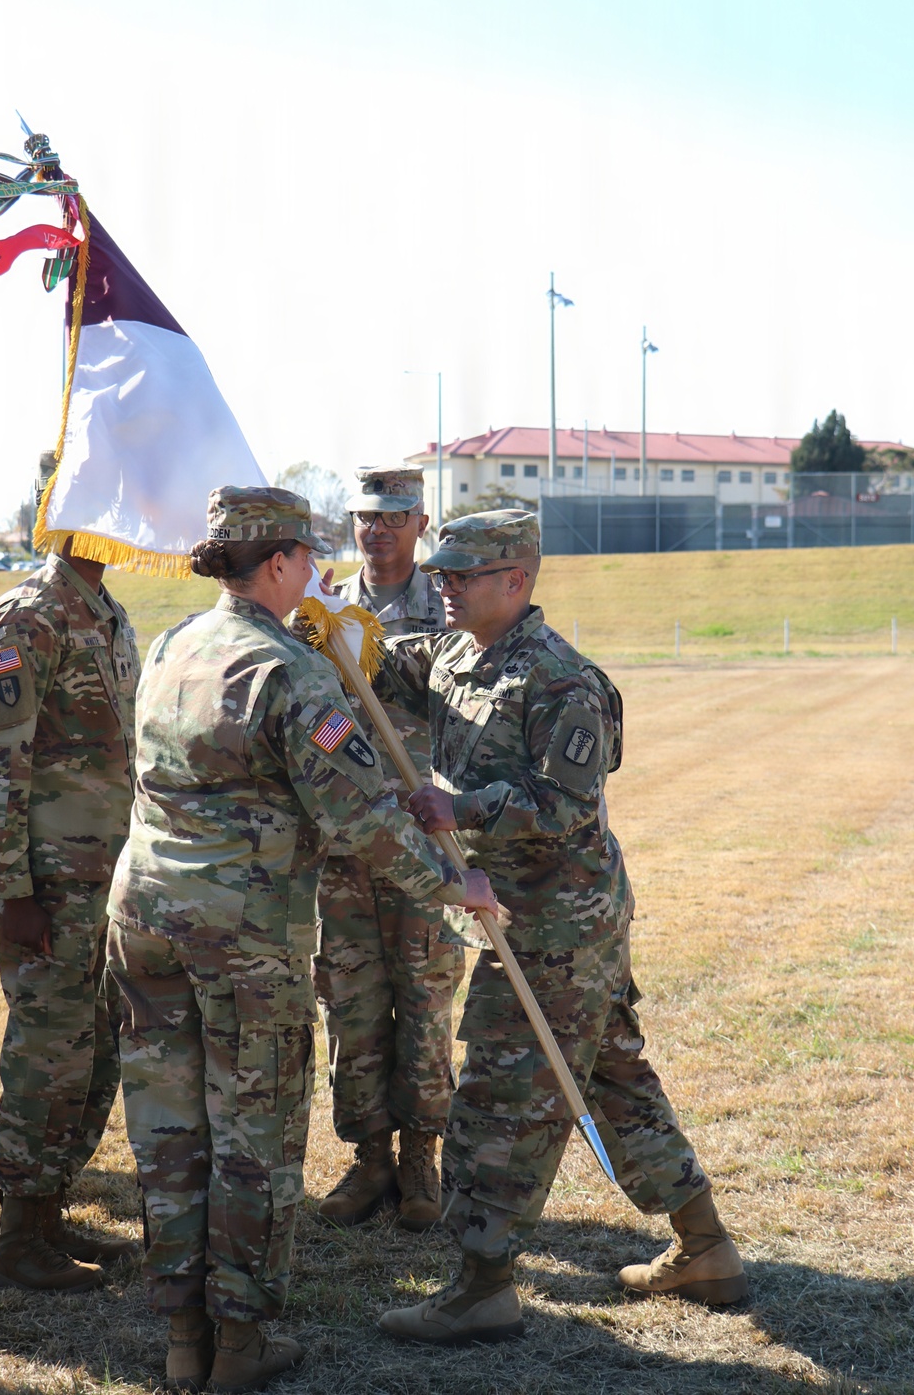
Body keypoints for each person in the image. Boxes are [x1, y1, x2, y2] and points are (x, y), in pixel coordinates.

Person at [104, 486, 496, 1394]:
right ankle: (239, 1344)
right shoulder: (288, 670)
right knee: (254, 1136)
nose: (317, 573)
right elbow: (361, 818)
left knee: (168, 1132)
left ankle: (183, 1339)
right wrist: (455, 884)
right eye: (307, 557)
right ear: (277, 563)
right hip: (241, 936)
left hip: (146, 919)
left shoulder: (172, 644)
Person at [373, 510, 747, 1346]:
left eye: (462, 575)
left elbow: (566, 805)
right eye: (441, 574)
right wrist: (332, 623)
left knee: (503, 1100)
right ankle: (706, 1248)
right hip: (517, 913)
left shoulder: (562, 681)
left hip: (560, 928)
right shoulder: (453, 653)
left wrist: (462, 808)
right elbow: (376, 665)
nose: (445, 586)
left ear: (517, 579)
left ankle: (481, 1287)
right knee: (615, 1079)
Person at [0, 521, 141, 1293]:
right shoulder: (24, 619)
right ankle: (17, 1239)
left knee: (92, 1054)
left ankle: (46, 1214)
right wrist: (12, 896)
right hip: (47, 891)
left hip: (103, 883)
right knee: (48, 1056)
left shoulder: (108, 613)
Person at [315, 464, 465, 1232]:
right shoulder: (323, 608)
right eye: (365, 517)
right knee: (351, 999)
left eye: (393, 517)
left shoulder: (448, 606)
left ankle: (420, 1159)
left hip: (422, 839)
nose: (376, 530)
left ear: (419, 523)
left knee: (426, 997)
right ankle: (370, 1155)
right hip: (345, 840)